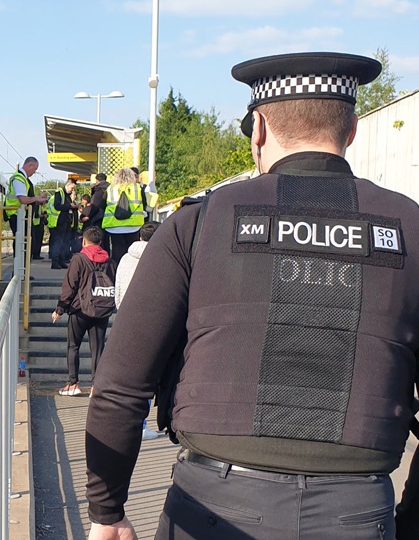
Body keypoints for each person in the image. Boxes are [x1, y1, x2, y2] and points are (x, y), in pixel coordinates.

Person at [84, 52, 419, 540]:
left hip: (212, 510)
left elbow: (119, 387)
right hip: (359, 513)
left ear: (258, 129)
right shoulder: (410, 229)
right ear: (349, 130)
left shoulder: (197, 224)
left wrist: (107, 511)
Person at [113, 220, 161, 441]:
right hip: (152, 325)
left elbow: (118, 289)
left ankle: (127, 422)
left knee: (129, 377)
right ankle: (141, 425)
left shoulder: (124, 257)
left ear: (140, 236)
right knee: (148, 378)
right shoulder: (162, 259)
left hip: (125, 321)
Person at [52, 227, 112, 397]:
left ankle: (73, 384)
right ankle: (96, 386)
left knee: (73, 346)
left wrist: (60, 309)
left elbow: (70, 286)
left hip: (79, 309)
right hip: (102, 308)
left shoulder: (78, 259)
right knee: (98, 348)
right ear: (100, 243)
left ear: (84, 241)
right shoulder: (109, 260)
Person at [4, 157, 49, 256]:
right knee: (22, 245)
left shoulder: (22, 178)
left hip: (20, 215)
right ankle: (19, 270)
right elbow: (23, 199)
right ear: (30, 165)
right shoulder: (19, 178)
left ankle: (21, 269)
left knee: (25, 245)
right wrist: (36, 199)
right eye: (34, 170)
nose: (34, 173)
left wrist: (36, 199)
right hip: (16, 215)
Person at [100, 168, 144, 266]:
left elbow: (102, 205)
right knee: (132, 251)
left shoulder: (110, 189)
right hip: (133, 225)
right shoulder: (137, 188)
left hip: (114, 226)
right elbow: (144, 204)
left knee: (117, 250)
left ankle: (117, 273)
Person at [49, 178, 78, 269]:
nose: (72, 190)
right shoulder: (59, 192)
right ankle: (55, 262)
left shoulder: (68, 196)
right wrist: (70, 206)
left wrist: (74, 205)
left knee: (64, 242)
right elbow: (57, 206)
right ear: (68, 184)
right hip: (60, 221)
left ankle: (62, 260)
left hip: (67, 221)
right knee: (58, 242)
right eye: (72, 188)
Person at [81, 173, 110, 252]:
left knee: (99, 239)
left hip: (98, 218)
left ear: (97, 180)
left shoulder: (99, 190)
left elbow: (95, 205)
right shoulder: (110, 188)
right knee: (106, 240)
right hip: (109, 218)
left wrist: (89, 216)